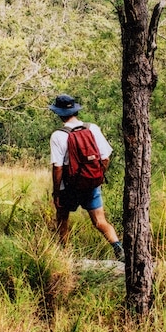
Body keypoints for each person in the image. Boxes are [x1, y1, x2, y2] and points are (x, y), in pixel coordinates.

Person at [49, 94, 124, 261]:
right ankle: (118, 248)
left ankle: (64, 255)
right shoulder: (92, 128)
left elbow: (58, 167)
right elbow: (105, 157)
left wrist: (57, 192)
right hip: (91, 184)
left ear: (59, 113)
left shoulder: (58, 135)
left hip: (69, 187)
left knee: (62, 219)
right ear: (75, 111)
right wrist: (95, 176)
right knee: (100, 221)